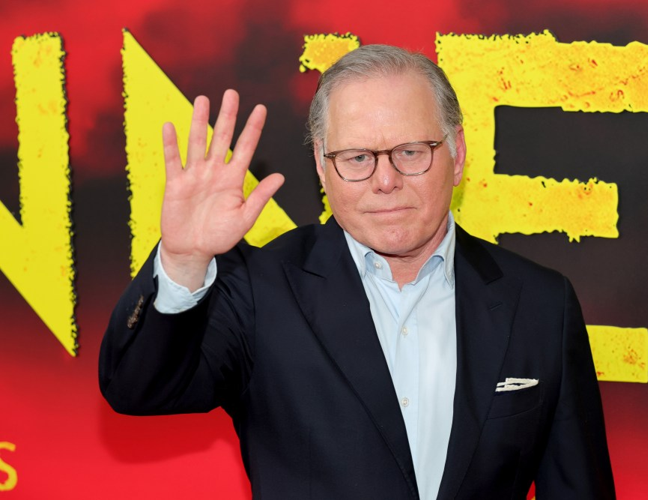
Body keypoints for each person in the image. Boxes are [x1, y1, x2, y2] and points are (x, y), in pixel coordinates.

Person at [99, 45, 616, 499]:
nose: (385, 180)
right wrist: (184, 260)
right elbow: (136, 388)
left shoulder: (540, 303)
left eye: (410, 152)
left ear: (457, 154)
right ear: (322, 168)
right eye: (357, 157)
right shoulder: (261, 290)